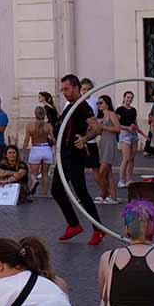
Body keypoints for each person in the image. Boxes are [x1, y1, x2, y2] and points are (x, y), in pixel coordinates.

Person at [53, 75, 104, 245]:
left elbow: (97, 128)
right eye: (63, 90)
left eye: (67, 89)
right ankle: (73, 224)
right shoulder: (69, 107)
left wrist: (84, 139)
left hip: (74, 156)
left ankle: (98, 229)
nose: (64, 92)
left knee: (81, 192)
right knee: (57, 190)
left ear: (76, 87)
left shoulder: (82, 107)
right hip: (63, 156)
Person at [92, 96, 120, 205]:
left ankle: (105, 193)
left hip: (110, 144)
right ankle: (112, 196)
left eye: (101, 103)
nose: (99, 105)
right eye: (98, 103)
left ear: (107, 103)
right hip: (103, 143)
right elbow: (99, 131)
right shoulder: (102, 116)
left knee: (101, 172)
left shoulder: (111, 114)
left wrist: (104, 128)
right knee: (108, 173)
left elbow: (118, 129)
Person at [24, 108, 53, 195]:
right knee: (45, 174)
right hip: (46, 149)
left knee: (33, 173)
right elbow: (53, 139)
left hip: (35, 149)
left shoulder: (30, 125)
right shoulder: (48, 126)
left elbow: (26, 140)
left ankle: (34, 181)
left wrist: (24, 153)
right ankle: (45, 193)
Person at [116, 91, 140, 184]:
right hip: (124, 134)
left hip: (133, 134)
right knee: (126, 158)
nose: (129, 99)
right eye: (128, 97)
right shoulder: (119, 110)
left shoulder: (133, 110)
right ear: (124, 98)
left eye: (131, 98)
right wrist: (127, 128)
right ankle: (121, 180)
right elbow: (117, 124)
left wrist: (136, 127)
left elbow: (135, 121)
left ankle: (129, 179)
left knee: (132, 158)